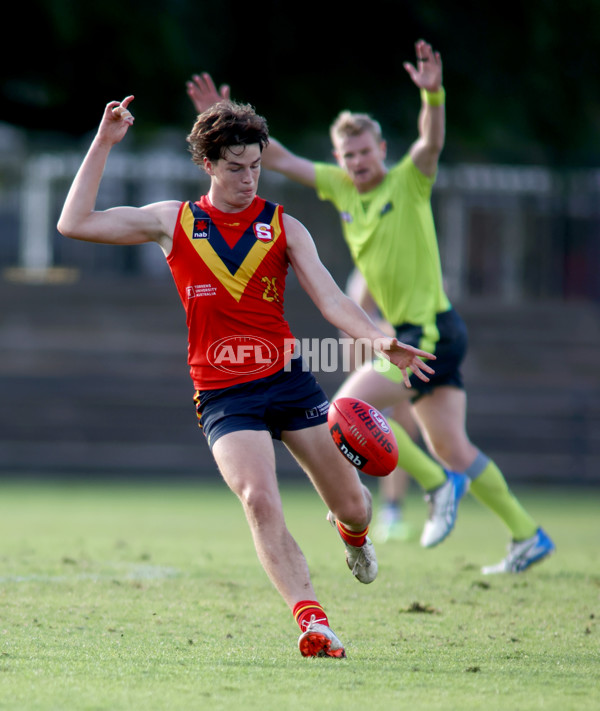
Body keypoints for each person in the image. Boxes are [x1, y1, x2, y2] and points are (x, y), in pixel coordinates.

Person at [57, 97, 437, 658]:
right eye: (235, 167)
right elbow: (74, 223)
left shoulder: (283, 226)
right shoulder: (174, 221)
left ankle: (352, 533)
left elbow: (332, 299)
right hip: (222, 393)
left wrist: (377, 340)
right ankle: (313, 621)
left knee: (355, 506)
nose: (248, 177)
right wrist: (104, 143)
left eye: (255, 165)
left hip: (288, 383)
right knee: (259, 497)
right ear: (208, 164)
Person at [186, 38, 556, 574]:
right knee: (453, 446)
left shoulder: (409, 180)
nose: (358, 162)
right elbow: (280, 157)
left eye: (366, 152)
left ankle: (432, 486)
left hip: (425, 330)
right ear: (340, 160)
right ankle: (527, 534)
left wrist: (433, 97)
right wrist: (219, 122)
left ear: (383, 150)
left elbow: (430, 144)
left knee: (345, 411)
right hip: (427, 330)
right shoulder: (340, 187)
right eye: (348, 155)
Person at [343, 267, 417, 543]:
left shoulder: (412, 270)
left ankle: (392, 513)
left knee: (403, 432)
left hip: (399, 361)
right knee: (379, 435)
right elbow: (355, 326)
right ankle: (349, 507)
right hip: (377, 363)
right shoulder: (367, 275)